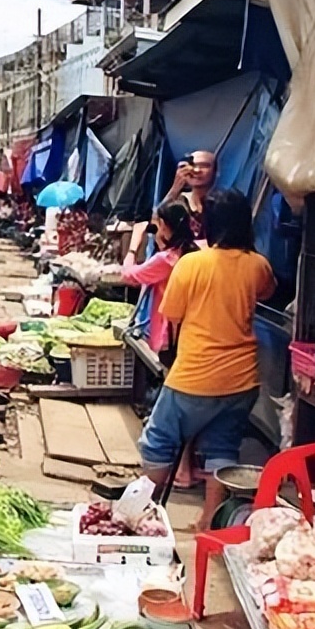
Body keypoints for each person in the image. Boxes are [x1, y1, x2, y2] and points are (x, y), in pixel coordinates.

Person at [137, 189, 275, 529]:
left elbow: (172, 312)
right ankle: (207, 522)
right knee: (222, 450)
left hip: (193, 375)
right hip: (242, 380)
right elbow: (268, 290)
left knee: (157, 443)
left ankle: (141, 515)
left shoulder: (192, 264)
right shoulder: (258, 265)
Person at [121, 201, 200, 356]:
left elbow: (129, 275)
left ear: (163, 226)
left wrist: (132, 248)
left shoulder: (166, 259)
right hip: (190, 329)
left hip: (168, 334)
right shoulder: (195, 250)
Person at [162, 150, 216, 240]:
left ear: (215, 172)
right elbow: (156, 225)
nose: (197, 170)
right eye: (192, 165)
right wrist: (175, 189)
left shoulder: (223, 202)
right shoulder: (178, 202)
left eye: (204, 166)